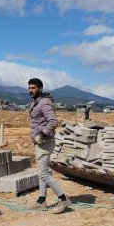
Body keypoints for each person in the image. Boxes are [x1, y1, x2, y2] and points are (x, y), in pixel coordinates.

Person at [27, 78, 71, 214]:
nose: (30, 90)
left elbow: (53, 121)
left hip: (45, 142)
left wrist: (42, 135)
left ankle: (63, 199)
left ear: (40, 88)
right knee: (41, 171)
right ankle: (41, 201)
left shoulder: (44, 102)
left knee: (43, 173)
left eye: (33, 88)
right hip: (39, 142)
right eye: (29, 88)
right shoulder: (37, 101)